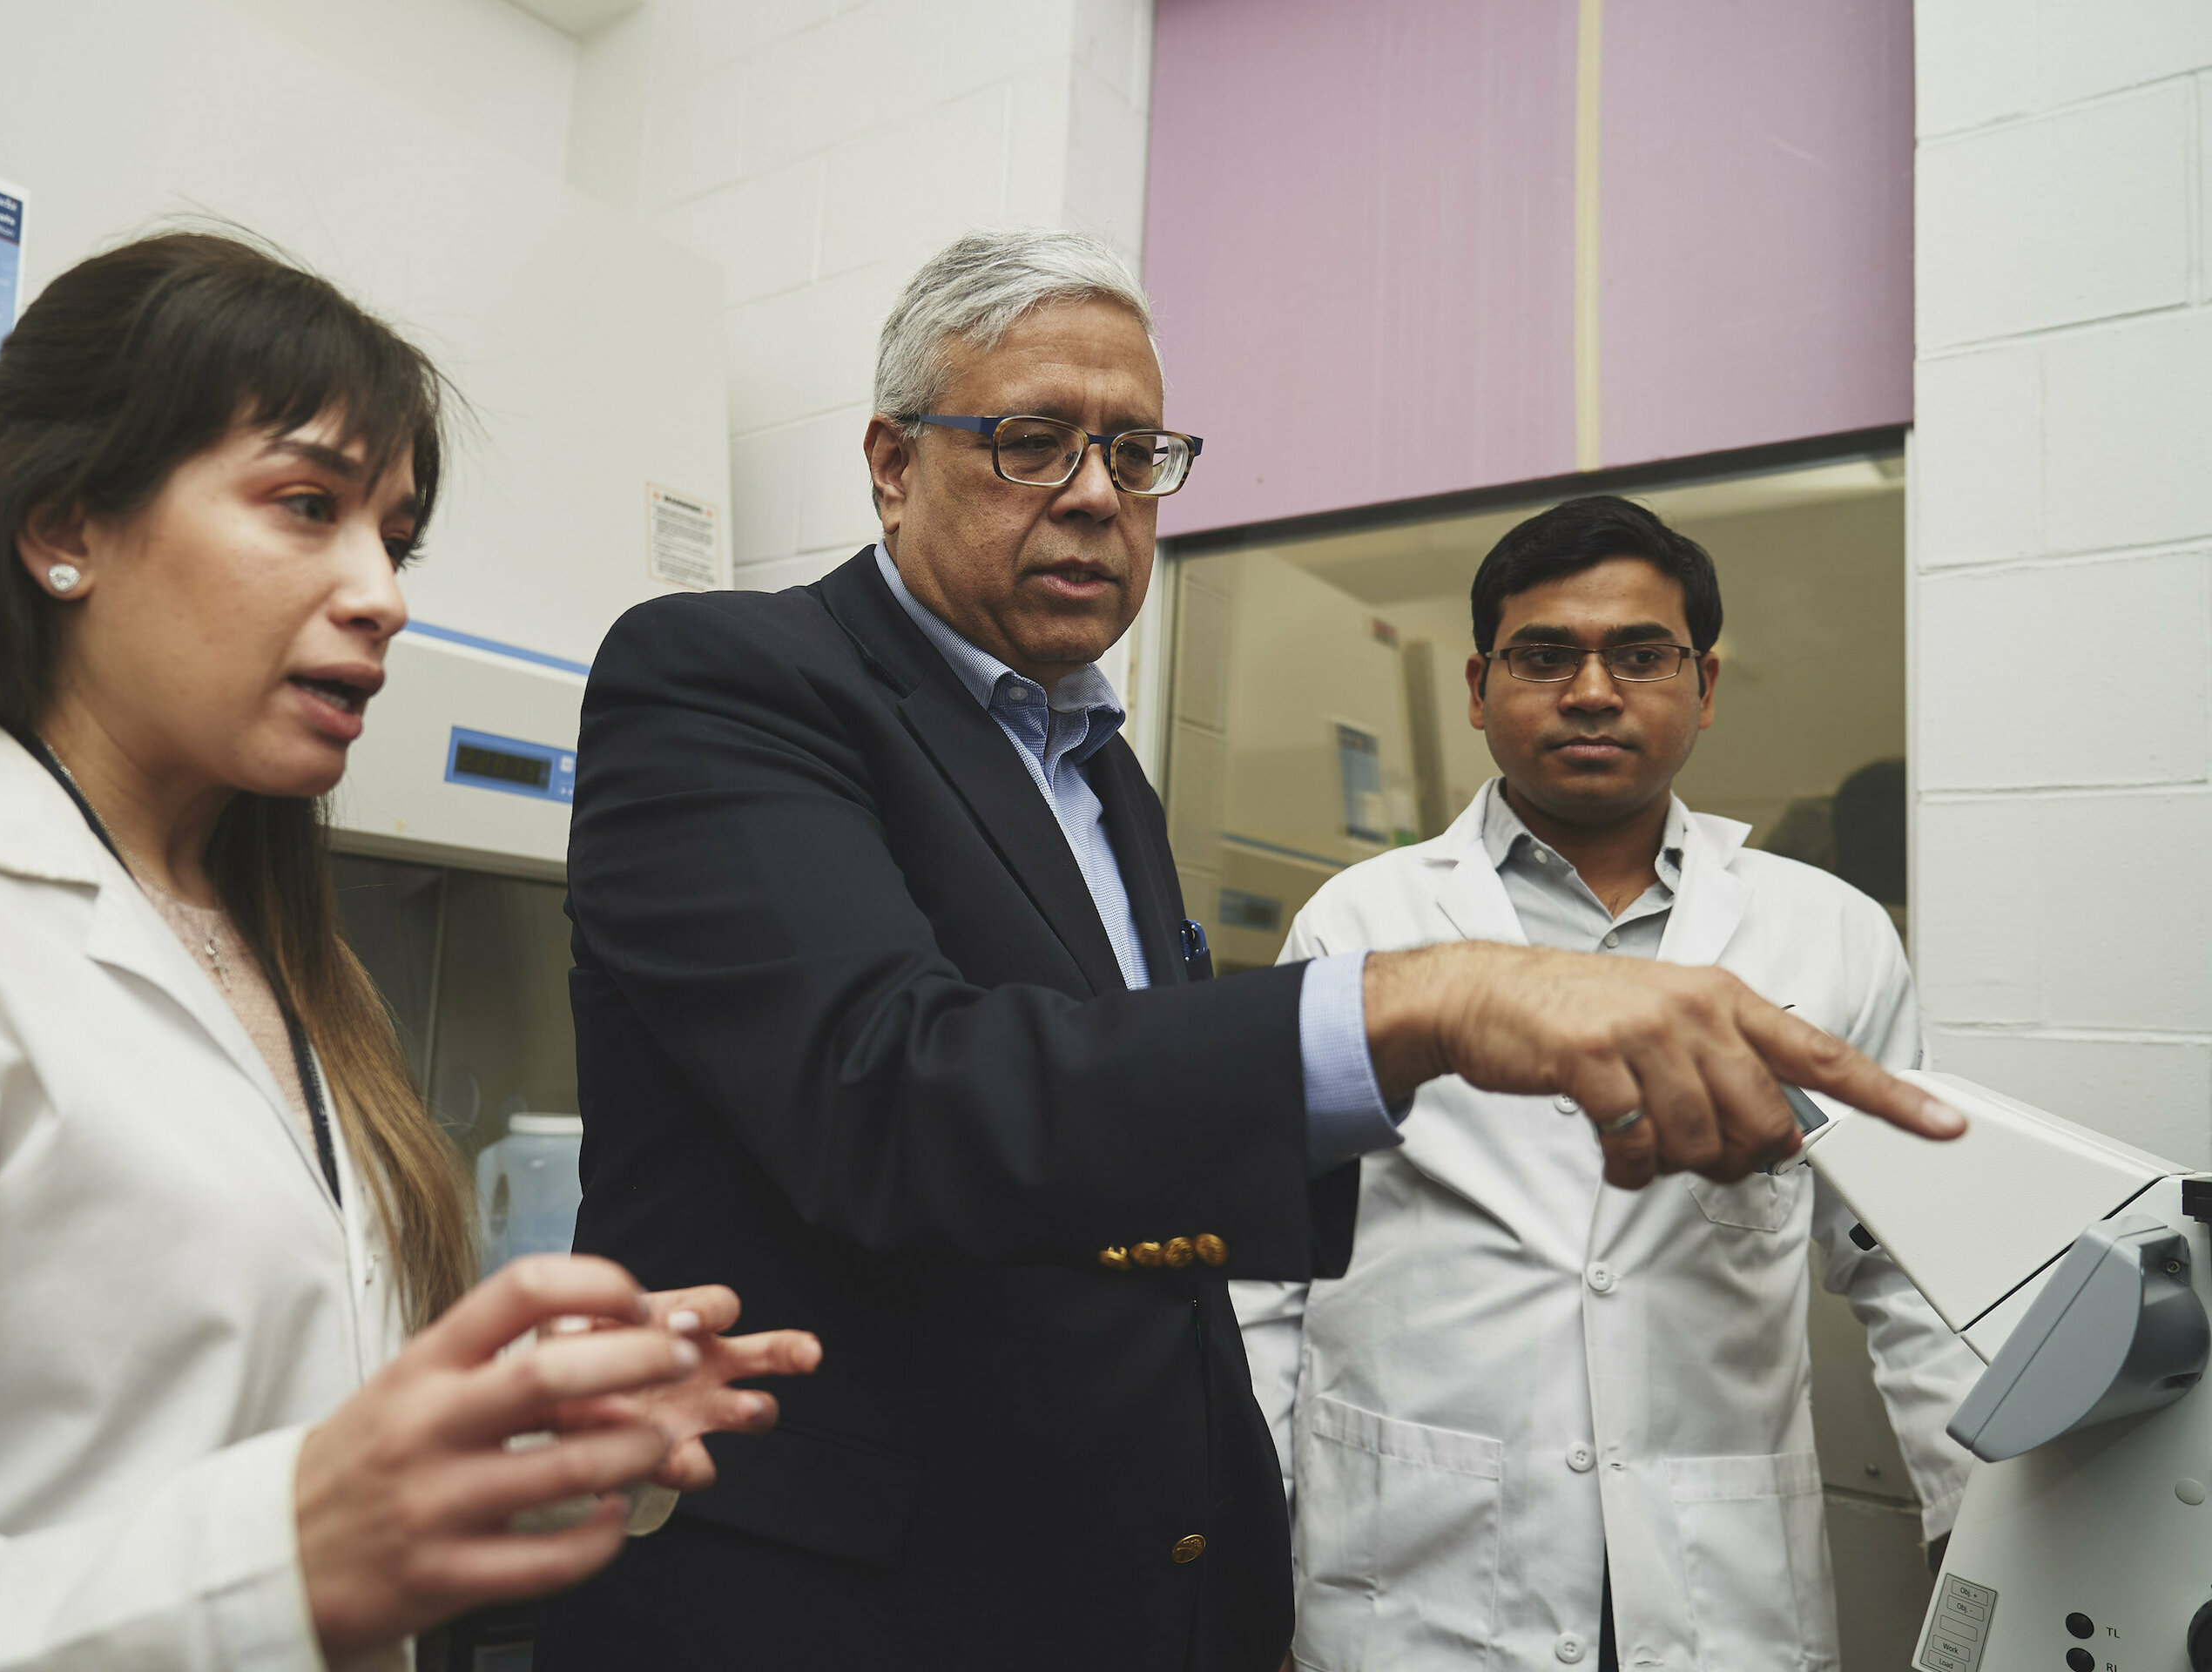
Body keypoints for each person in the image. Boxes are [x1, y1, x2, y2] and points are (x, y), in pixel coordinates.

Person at [533, 231, 1962, 1670]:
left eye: (1138, 452)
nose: (1098, 496)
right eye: (1033, 443)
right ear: (893, 464)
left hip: (1098, 1589)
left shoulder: (1097, 776)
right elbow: (893, 1092)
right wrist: (1444, 995)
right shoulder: (728, 676)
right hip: (831, 1604)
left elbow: (1152, 1209)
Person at [0, 232, 817, 1669]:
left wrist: (515, 1437)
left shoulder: (289, 970)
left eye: (395, 539)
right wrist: (286, 1550)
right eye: (307, 505)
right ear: (65, 529)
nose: (383, 594)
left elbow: (223, 1437)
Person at [1241, 497, 1982, 1672]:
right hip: (1412, 1573)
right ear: (1480, 689)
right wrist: (1247, 1551)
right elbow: (1270, 1267)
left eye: (1641, 655)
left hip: (1715, 1583)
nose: (1592, 690)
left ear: (1705, 683)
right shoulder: (1364, 922)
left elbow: (1905, 1273)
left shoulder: (1829, 937)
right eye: (1545, 656)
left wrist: (1975, 1527)